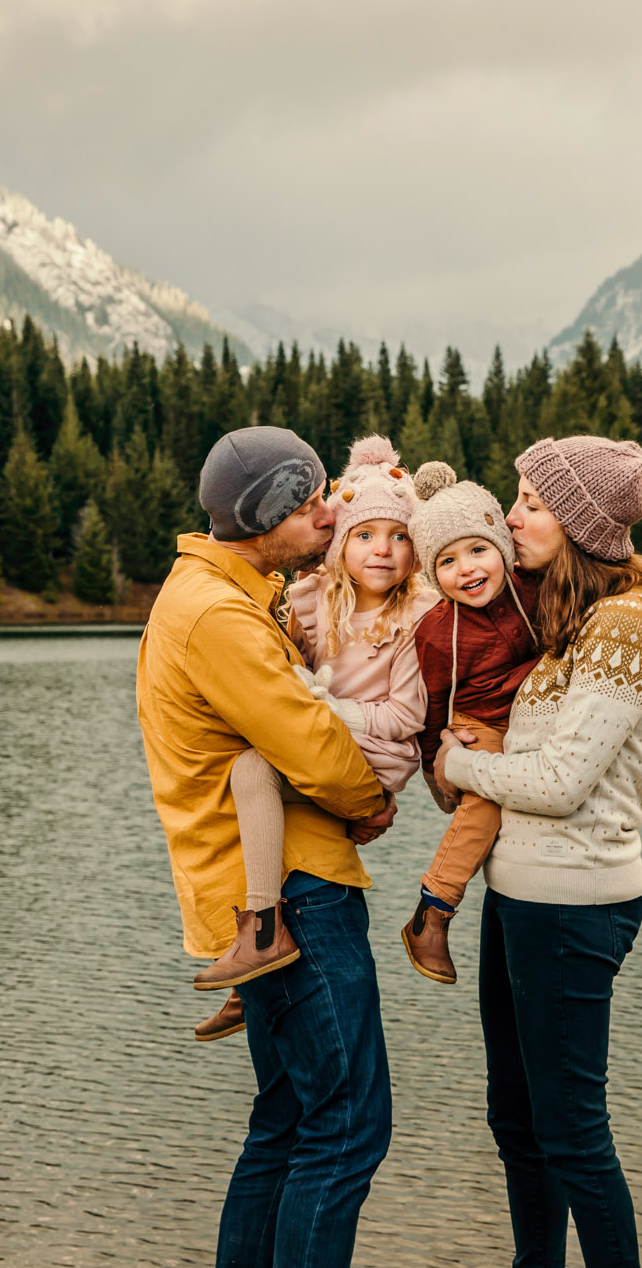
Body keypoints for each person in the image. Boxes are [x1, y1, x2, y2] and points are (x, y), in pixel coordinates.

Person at [433, 435, 642, 1268]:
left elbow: (560, 782)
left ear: (580, 524)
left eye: (532, 505)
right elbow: (529, 763)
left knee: (572, 1130)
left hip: (575, 902)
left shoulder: (629, 623)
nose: (512, 518)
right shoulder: (569, 618)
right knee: (516, 1119)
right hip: (522, 898)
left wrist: (458, 761)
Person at [136, 425, 399, 1268]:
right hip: (292, 895)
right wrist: (371, 799)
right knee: (348, 1122)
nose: (328, 512)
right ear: (261, 520)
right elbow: (309, 739)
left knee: (287, 1121)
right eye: (308, 500)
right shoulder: (217, 613)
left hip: (264, 893)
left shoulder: (221, 589)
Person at [192, 434, 438, 1027]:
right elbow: (281, 656)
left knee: (252, 769)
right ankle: (252, 973)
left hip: (375, 754)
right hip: (325, 742)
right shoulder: (310, 599)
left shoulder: (417, 617)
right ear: (340, 544)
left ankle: (262, 933)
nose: (382, 551)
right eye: (364, 535)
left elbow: (405, 719)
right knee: (247, 789)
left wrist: (327, 710)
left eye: (400, 536)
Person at [398, 460, 541, 983]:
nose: (467, 569)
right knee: (486, 803)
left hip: (536, 715)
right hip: (478, 723)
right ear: (432, 574)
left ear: (501, 548)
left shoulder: (533, 590)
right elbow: (433, 707)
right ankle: (433, 909)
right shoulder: (436, 631)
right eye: (448, 561)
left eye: (478, 550)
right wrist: (443, 767)